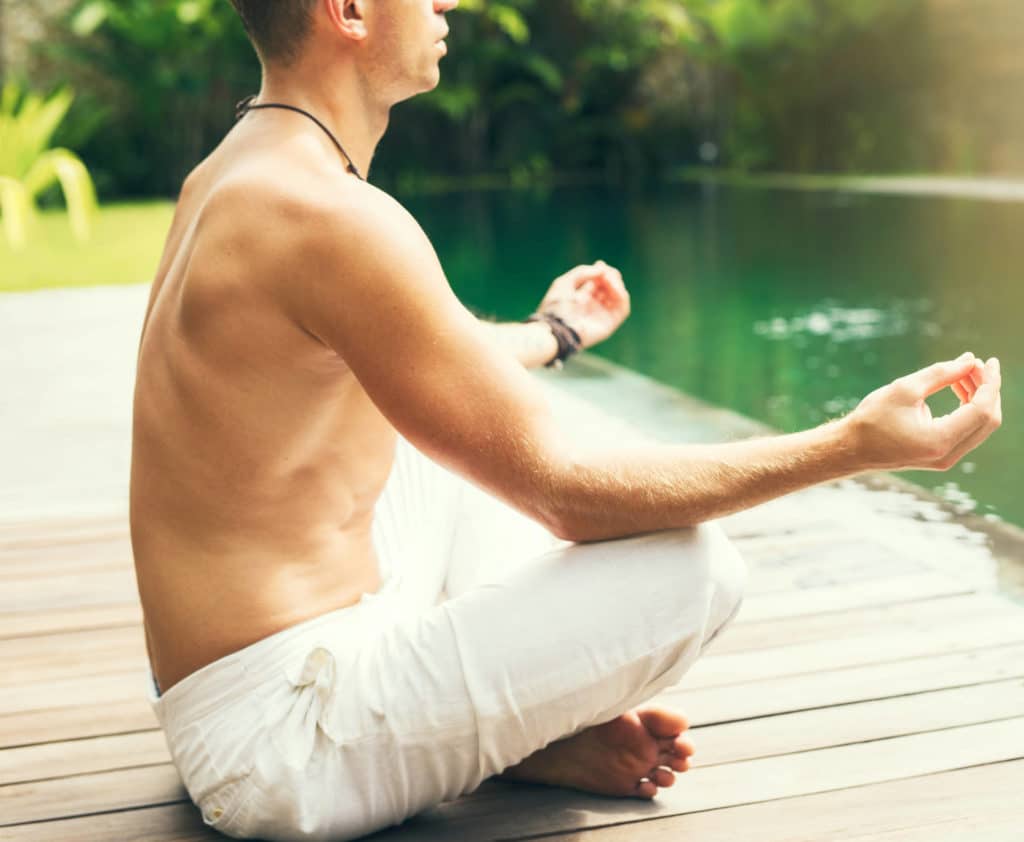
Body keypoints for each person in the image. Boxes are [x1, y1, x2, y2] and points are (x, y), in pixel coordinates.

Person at [128, 1, 1003, 840]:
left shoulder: (237, 172)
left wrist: (553, 335)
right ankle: (504, 738)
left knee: (453, 440)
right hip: (282, 747)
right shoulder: (332, 218)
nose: (451, 3)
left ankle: (511, 733)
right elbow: (567, 496)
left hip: (233, 691)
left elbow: (422, 352)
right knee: (693, 569)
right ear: (349, 10)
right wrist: (852, 446)